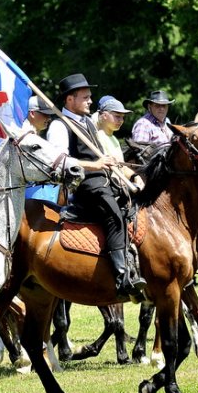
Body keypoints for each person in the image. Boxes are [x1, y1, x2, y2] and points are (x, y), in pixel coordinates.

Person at [46, 74, 143, 298]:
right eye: (86, 97)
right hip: (85, 185)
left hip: (105, 180)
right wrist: (95, 165)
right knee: (112, 213)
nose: (91, 101)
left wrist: (132, 174)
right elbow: (59, 161)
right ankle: (122, 277)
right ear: (70, 100)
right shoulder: (59, 126)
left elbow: (106, 156)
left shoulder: (88, 122)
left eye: (90, 97)